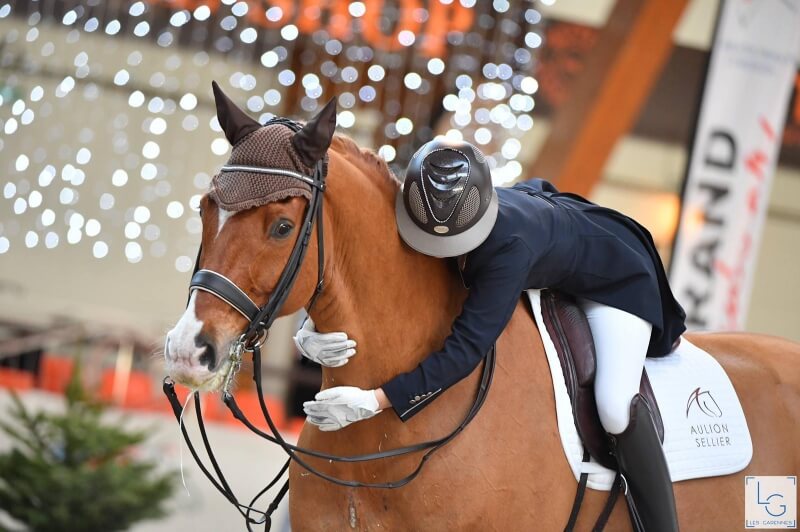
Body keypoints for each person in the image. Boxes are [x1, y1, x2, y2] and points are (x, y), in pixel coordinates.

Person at [300, 139, 685, 531]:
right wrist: (310, 328)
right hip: (549, 239)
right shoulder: (424, 204)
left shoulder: (508, 249)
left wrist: (374, 401)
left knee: (614, 403)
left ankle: (661, 524)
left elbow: (467, 347)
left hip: (618, 279)